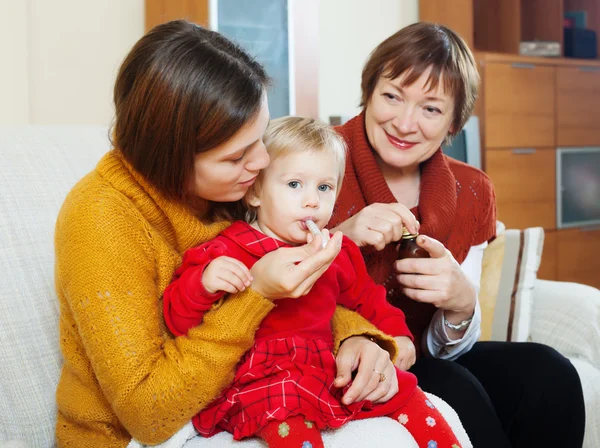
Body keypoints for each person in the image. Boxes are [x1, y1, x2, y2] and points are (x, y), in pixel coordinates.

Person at [53, 20, 405, 448]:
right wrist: (255, 294)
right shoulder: (101, 219)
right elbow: (148, 411)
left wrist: (358, 337)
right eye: (238, 155)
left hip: (249, 394)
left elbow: (302, 308)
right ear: (174, 158)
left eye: (260, 138)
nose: (261, 163)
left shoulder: (230, 188)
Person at [328, 21, 586, 448]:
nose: (405, 123)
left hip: (422, 356)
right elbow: (262, 263)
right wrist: (342, 236)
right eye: (392, 96)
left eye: (430, 109)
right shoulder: (318, 158)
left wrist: (461, 302)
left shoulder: (472, 191)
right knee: (456, 388)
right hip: (337, 354)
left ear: (453, 123)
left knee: (550, 372)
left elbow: (446, 347)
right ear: (369, 92)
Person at [163, 116, 462, 448]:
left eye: (324, 187)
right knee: (285, 404)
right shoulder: (226, 249)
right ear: (256, 193)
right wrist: (203, 284)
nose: (312, 201)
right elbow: (178, 319)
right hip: (260, 376)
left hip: (324, 367)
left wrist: (398, 337)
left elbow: (369, 300)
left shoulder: (337, 250)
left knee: (406, 390)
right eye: (294, 185)